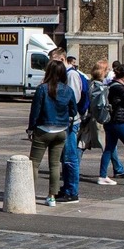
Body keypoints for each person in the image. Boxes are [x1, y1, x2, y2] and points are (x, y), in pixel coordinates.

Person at [27, 59, 77, 207]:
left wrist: (31, 128)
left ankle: (29, 194)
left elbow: (35, 111)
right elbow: (74, 111)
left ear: (48, 72)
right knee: (54, 165)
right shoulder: (68, 90)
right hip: (61, 130)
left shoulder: (42, 88)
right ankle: (51, 197)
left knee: (34, 164)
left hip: (43, 130)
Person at [53, 49, 86, 203]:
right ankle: (67, 188)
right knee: (65, 157)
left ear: (62, 58)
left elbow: (74, 98)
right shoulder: (64, 74)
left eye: (53, 60)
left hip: (71, 122)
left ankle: (72, 191)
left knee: (70, 157)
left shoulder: (71, 75)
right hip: (66, 120)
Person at [88, 59, 124, 178]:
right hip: (99, 118)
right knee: (107, 145)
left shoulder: (93, 83)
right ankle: (115, 170)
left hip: (94, 117)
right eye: (107, 69)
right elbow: (100, 104)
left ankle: (118, 168)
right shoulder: (98, 86)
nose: (109, 71)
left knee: (108, 145)